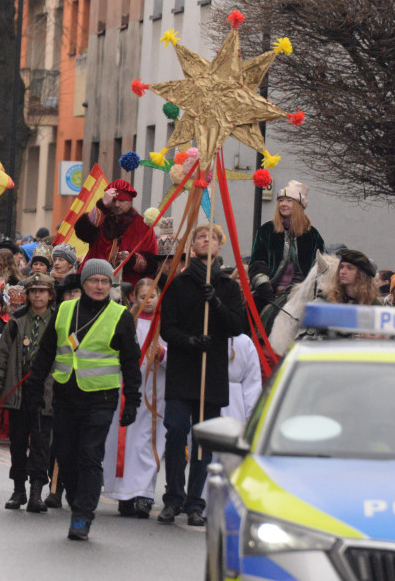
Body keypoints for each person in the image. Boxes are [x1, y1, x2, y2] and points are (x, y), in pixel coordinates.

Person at [24, 259, 141, 541]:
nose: (99, 286)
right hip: (65, 394)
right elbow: (47, 352)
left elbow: (131, 362)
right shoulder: (64, 310)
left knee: (90, 455)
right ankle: (79, 500)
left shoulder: (120, 315)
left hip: (101, 397)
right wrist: (34, 387)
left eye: (105, 282)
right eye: (94, 281)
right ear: (83, 283)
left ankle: (82, 515)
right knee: (65, 454)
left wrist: (133, 399)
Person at [158, 225, 247, 526]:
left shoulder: (227, 286)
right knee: (176, 431)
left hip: (212, 375)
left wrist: (217, 304)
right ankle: (173, 496)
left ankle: (195, 502)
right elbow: (167, 328)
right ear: (193, 246)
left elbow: (237, 325)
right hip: (184, 372)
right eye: (200, 237)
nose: (206, 240)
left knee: (203, 441)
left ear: (220, 247)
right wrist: (189, 341)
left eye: (213, 238)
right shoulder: (179, 284)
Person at [0, 272, 57, 513]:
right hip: (17, 390)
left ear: (50, 295)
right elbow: (2, 357)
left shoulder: (59, 321)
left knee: (40, 444)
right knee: (17, 443)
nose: (37, 295)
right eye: (33, 291)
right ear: (27, 295)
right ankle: (18, 490)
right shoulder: (16, 321)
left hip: (45, 392)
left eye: (42, 291)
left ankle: (37, 491)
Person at [103, 278, 167, 519]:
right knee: (123, 443)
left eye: (153, 296)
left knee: (148, 445)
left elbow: (175, 351)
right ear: (134, 298)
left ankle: (144, 495)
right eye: (143, 296)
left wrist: (162, 354)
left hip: (154, 391)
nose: (148, 301)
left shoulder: (165, 323)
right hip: (126, 390)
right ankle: (123, 495)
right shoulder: (125, 321)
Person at [73, 180, 157, 286]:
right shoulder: (100, 218)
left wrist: (132, 259)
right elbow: (82, 232)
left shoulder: (143, 225)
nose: (116, 205)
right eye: (113, 201)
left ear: (130, 201)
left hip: (127, 286)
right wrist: (102, 205)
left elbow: (152, 263)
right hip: (93, 280)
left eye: (121, 201)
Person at [250, 180, 325, 295]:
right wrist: (263, 284)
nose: (283, 204)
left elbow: (320, 266)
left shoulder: (312, 235)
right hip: (270, 292)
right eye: (281, 200)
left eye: (289, 200)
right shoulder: (266, 230)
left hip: (302, 294)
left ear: (299, 206)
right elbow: (257, 261)